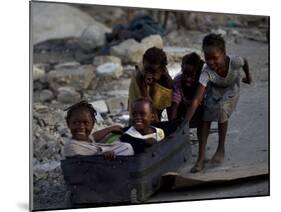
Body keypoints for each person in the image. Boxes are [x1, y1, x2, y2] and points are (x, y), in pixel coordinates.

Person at [185, 33, 252, 173]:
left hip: (231, 89)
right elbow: (197, 99)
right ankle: (201, 157)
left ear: (224, 53)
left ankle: (221, 148)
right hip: (214, 90)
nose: (210, 62)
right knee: (205, 115)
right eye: (207, 58)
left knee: (222, 110)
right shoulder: (206, 72)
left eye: (215, 58)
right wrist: (185, 122)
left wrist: (248, 77)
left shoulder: (234, 61)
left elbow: (244, 61)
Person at [63, 100, 134, 160]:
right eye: (75, 123)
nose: (81, 127)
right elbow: (89, 159)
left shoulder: (85, 139)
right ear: (68, 123)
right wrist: (102, 156)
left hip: (102, 151)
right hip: (99, 163)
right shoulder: (71, 147)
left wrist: (110, 129)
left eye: (86, 123)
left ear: (93, 124)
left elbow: (93, 137)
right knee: (127, 147)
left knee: (118, 139)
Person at [128, 47, 173, 121]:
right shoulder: (140, 76)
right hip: (139, 94)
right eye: (147, 70)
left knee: (156, 115)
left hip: (156, 91)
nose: (149, 75)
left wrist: (170, 125)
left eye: (153, 72)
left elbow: (169, 106)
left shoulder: (168, 82)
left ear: (162, 71)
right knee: (139, 114)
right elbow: (147, 104)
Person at [171, 52, 204, 137]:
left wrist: (185, 125)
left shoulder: (202, 83)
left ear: (198, 74)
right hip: (184, 111)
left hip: (200, 112)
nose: (187, 79)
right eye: (185, 74)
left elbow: (196, 102)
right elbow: (175, 104)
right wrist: (172, 125)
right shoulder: (178, 81)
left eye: (191, 76)